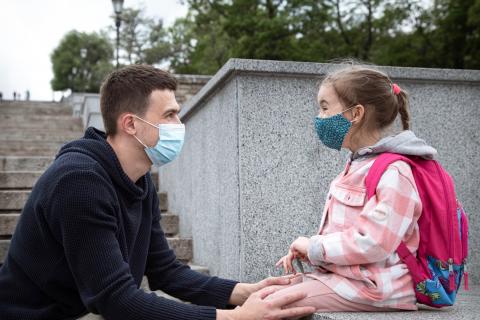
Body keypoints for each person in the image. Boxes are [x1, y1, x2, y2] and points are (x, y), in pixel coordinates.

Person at [0, 65, 315, 320]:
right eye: (169, 115)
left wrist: (246, 292)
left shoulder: (139, 179)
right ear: (131, 125)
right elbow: (116, 299)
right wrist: (234, 318)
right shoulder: (79, 182)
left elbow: (165, 271)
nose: (179, 124)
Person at [270, 64, 438, 313]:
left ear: (356, 113)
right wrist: (312, 253)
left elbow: (374, 242)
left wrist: (315, 246)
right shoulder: (357, 165)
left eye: (325, 107)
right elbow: (349, 231)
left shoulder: (395, 172)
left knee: (269, 303)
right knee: (262, 293)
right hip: (352, 280)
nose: (319, 117)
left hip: (377, 287)